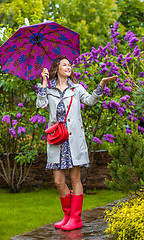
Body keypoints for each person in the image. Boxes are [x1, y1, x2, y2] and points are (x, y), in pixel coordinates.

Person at [36, 56, 117, 231]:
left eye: (69, 65)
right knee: (58, 182)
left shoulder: (77, 88)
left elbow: (90, 100)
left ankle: (76, 218)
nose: (69, 67)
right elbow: (40, 104)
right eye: (64, 64)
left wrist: (101, 84)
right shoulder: (49, 90)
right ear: (56, 68)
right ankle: (67, 216)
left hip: (73, 139)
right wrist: (44, 82)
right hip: (57, 140)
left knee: (75, 178)